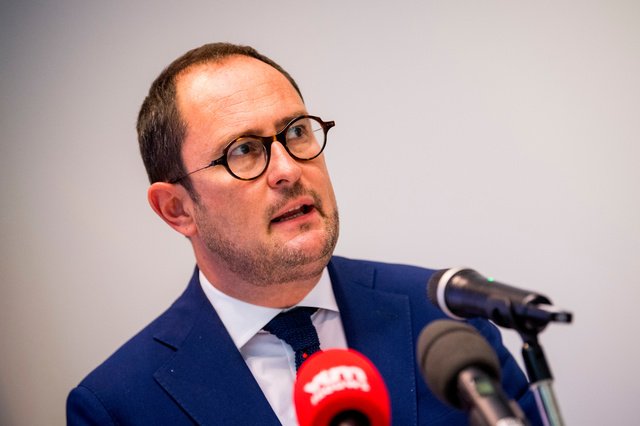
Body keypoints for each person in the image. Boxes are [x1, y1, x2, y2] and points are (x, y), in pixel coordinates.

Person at [67, 42, 541, 425]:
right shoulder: (118, 405)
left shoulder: (446, 319)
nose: (288, 169)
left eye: (296, 132)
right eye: (243, 150)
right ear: (176, 208)